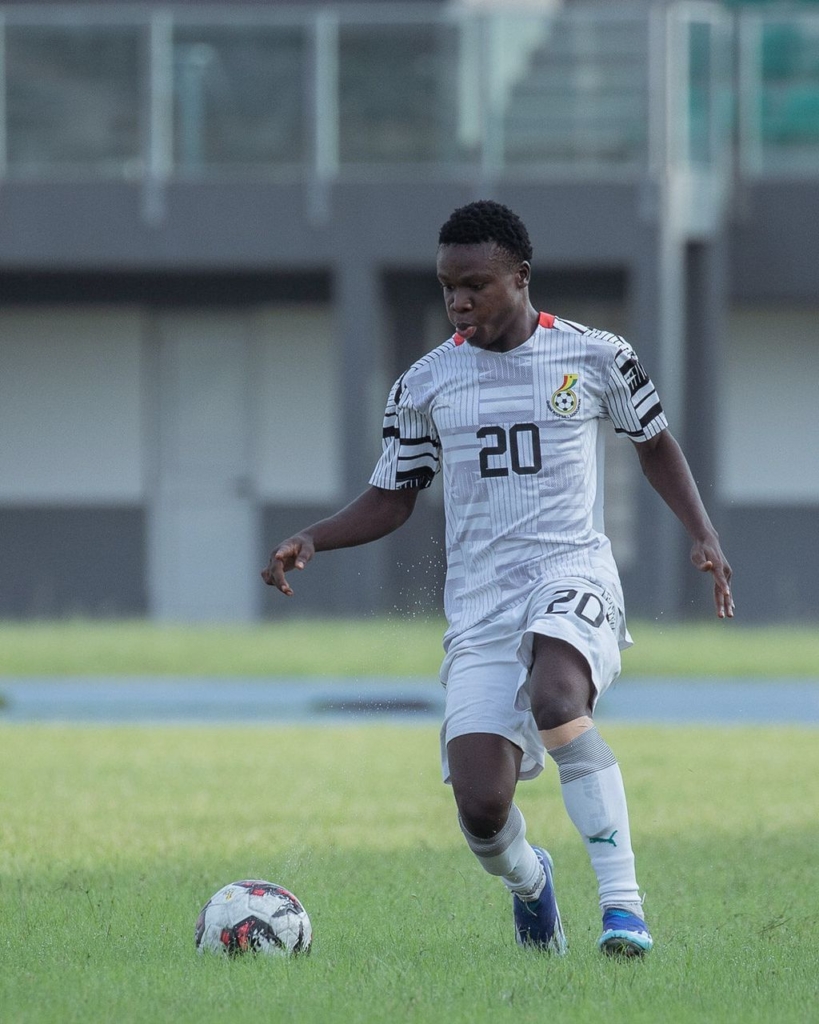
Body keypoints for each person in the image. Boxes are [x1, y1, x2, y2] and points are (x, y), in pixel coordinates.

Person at [262, 200, 733, 957]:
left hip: (571, 572)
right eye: (447, 287)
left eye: (474, 285)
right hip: (481, 607)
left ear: (520, 277)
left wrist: (702, 533)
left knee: (557, 698)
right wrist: (314, 537)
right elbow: (393, 496)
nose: (458, 301)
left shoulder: (596, 355)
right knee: (482, 809)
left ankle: (623, 909)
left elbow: (654, 443)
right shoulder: (424, 383)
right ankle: (531, 882)